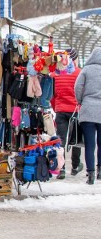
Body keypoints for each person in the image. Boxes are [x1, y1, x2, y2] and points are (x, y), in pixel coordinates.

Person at [52, 48, 83, 179]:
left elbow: (52, 95)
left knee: (61, 140)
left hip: (60, 111)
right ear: (74, 59)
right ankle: (75, 166)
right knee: (75, 139)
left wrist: (56, 108)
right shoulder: (79, 73)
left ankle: (61, 168)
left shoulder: (56, 73)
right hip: (75, 110)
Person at [75, 47, 101, 185]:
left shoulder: (86, 69)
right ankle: (100, 172)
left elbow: (77, 86)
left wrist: (81, 101)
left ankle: (90, 175)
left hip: (88, 111)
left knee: (90, 145)